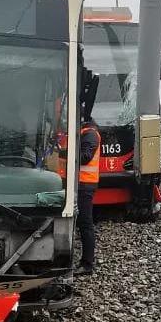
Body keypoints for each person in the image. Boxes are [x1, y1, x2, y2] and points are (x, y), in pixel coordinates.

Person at [73, 114, 102, 276]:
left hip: (85, 184)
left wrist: (66, 152)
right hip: (82, 183)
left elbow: (85, 158)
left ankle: (87, 264)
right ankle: (86, 261)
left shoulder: (90, 134)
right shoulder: (87, 132)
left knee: (85, 223)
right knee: (83, 223)